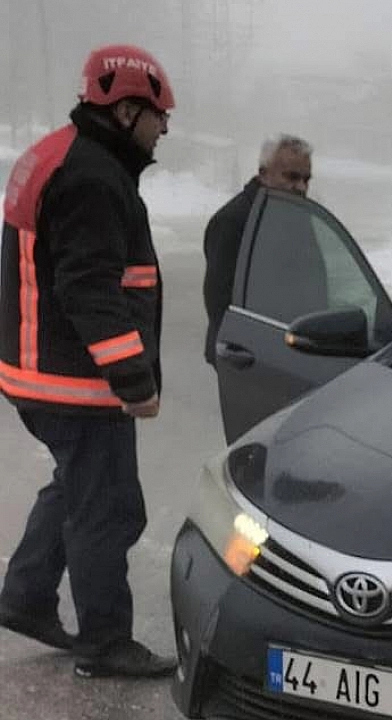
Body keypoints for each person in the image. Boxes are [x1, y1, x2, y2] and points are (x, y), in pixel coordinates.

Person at [0, 44, 178, 678]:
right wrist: (133, 378)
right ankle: (104, 643)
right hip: (74, 381)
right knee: (109, 508)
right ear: (127, 109)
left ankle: (24, 597)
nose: (163, 130)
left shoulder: (63, 154)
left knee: (74, 487)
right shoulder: (93, 176)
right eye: (159, 116)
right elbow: (88, 288)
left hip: (39, 373)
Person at [201, 134, 313, 364]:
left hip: (294, 353)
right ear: (264, 174)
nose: (301, 187)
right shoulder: (233, 222)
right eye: (291, 177)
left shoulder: (301, 220)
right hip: (246, 358)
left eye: (306, 179)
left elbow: (315, 286)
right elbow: (221, 304)